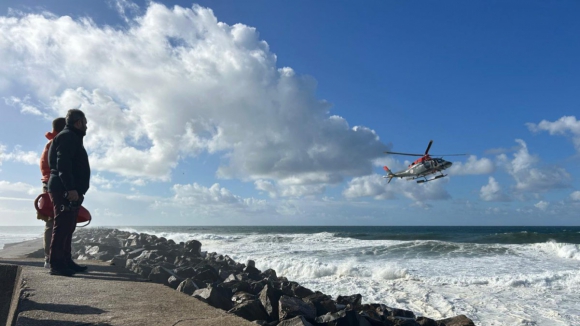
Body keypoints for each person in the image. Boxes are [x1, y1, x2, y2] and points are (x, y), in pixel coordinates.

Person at [47, 109, 91, 276]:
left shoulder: (72, 137)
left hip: (68, 189)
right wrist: (70, 188)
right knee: (62, 226)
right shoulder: (67, 136)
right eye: (85, 123)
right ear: (78, 122)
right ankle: (57, 264)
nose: (86, 126)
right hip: (64, 188)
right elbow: (62, 164)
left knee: (68, 226)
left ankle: (66, 261)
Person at [39, 117, 66, 269]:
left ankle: (51, 257)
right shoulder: (56, 143)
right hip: (55, 184)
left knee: (53, 221)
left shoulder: (51, 143)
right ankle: (51, 258)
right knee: (53, 221)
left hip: (50, 183)